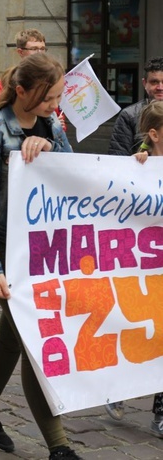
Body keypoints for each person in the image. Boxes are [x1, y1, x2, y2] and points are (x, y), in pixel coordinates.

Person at [0, 53, 80, 460]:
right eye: (48, 98)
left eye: (57, 98)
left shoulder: (52, 125)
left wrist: (49, 147)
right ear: (21, 90)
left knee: (11, 337)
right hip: (11, 255)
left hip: (49, 250)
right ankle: (59, 446)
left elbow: (75, 177)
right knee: (36, 342)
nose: (54, 106)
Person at [104, 101, 163, 429]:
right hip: (139, 269)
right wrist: (135, 165)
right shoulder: (136, 167)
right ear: (153, 135)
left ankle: (160, 409)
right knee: (138, 328)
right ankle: (119, 385)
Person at [108, 57, 163, 156]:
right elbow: (118, 159)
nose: (160, 87)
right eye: (154, 82)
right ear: (144, 83)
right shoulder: (129, 116)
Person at [0, 29, 46, 107]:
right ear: (20, 52)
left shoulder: (51, 77)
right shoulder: (8, 80)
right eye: (34, 49)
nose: (39, 53)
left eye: (42, 49)